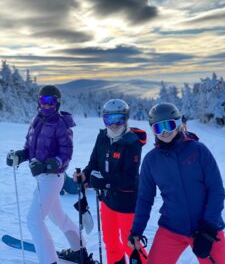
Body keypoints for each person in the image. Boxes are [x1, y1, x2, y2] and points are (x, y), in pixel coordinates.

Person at [128, 102, 225, 264]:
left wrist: (208, 228)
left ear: (178, 125)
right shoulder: (151, 161)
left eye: (169, 125)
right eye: (159, 128)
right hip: (172, 228)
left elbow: (216, 190)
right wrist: (136, 231)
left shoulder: (198, 150)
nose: (165, 132)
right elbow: (145, 199)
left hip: (207, 227)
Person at [6, 85, 93, 264]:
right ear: (38, 102)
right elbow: (29, 148)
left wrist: (49, 165)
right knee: (57, 216)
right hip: (43, 179)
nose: (47, 105)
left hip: (52, 178)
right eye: (43, 101)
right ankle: (80, 250)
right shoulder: (36, 121)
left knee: (33, 220)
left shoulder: (61, 124)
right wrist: (20, 155)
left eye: (51, 101)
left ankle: (49, 260)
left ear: (57, 103)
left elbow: (66, 153)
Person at [73, 99, 148, 264]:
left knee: (131, 245)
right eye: (109, 119)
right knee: (111, 242)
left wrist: (105, 182)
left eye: (118, 119)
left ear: (126, 119)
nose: (113, 124)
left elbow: (130, 177)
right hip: (107, 201)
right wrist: (84, 175)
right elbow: (93, 162)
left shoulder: (132, 143)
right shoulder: (102, 137)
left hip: (127, 202)